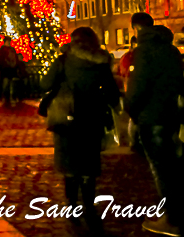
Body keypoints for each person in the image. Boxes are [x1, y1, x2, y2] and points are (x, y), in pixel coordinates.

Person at [40, 27, 120, 233]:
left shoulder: (64, 60)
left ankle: (72, 206)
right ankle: (89, 207)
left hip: (67, 119)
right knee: (89, 165)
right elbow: (111, 92)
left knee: (69, 165)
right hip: (92, 118)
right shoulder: (100, 62)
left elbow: (45, 83)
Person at [126, 12, 184, 236]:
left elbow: (137, 86)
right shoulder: (171, 51)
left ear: (136, 29)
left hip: (151, 117)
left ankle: (172, 219)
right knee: (174, 166)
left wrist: (132, 110)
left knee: (161, 169)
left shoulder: (144, 52)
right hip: (170, 115)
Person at [0, 37, 19, 105]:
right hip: (8, 69)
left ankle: (7, 98)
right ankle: (7, 97)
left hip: (7, 69)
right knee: (7, 84)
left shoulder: (4, 50)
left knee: (7, 84)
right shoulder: (9, 50)